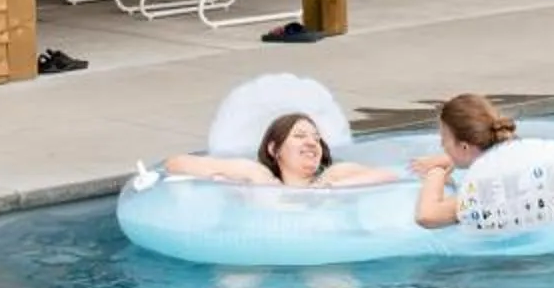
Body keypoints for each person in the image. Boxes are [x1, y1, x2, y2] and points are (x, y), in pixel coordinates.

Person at [164, 111, 400, 189]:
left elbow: (390, 176)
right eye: (299, 136)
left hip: (318, 247)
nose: (311, 143)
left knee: (335, 285)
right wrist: (222, 181)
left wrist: (332, 188)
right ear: (274, 149)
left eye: (316, 139)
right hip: (257, 246)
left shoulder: (332, 176)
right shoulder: (257, 176)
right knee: (235, 285)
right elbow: (175, 163)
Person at [412, 92, 519, 229]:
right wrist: (450, 160)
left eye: (444, 138)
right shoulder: (509, 158)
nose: (442, 145)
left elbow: (427, 216)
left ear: (464, 147)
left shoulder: (488, 186)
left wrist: (435, 174)